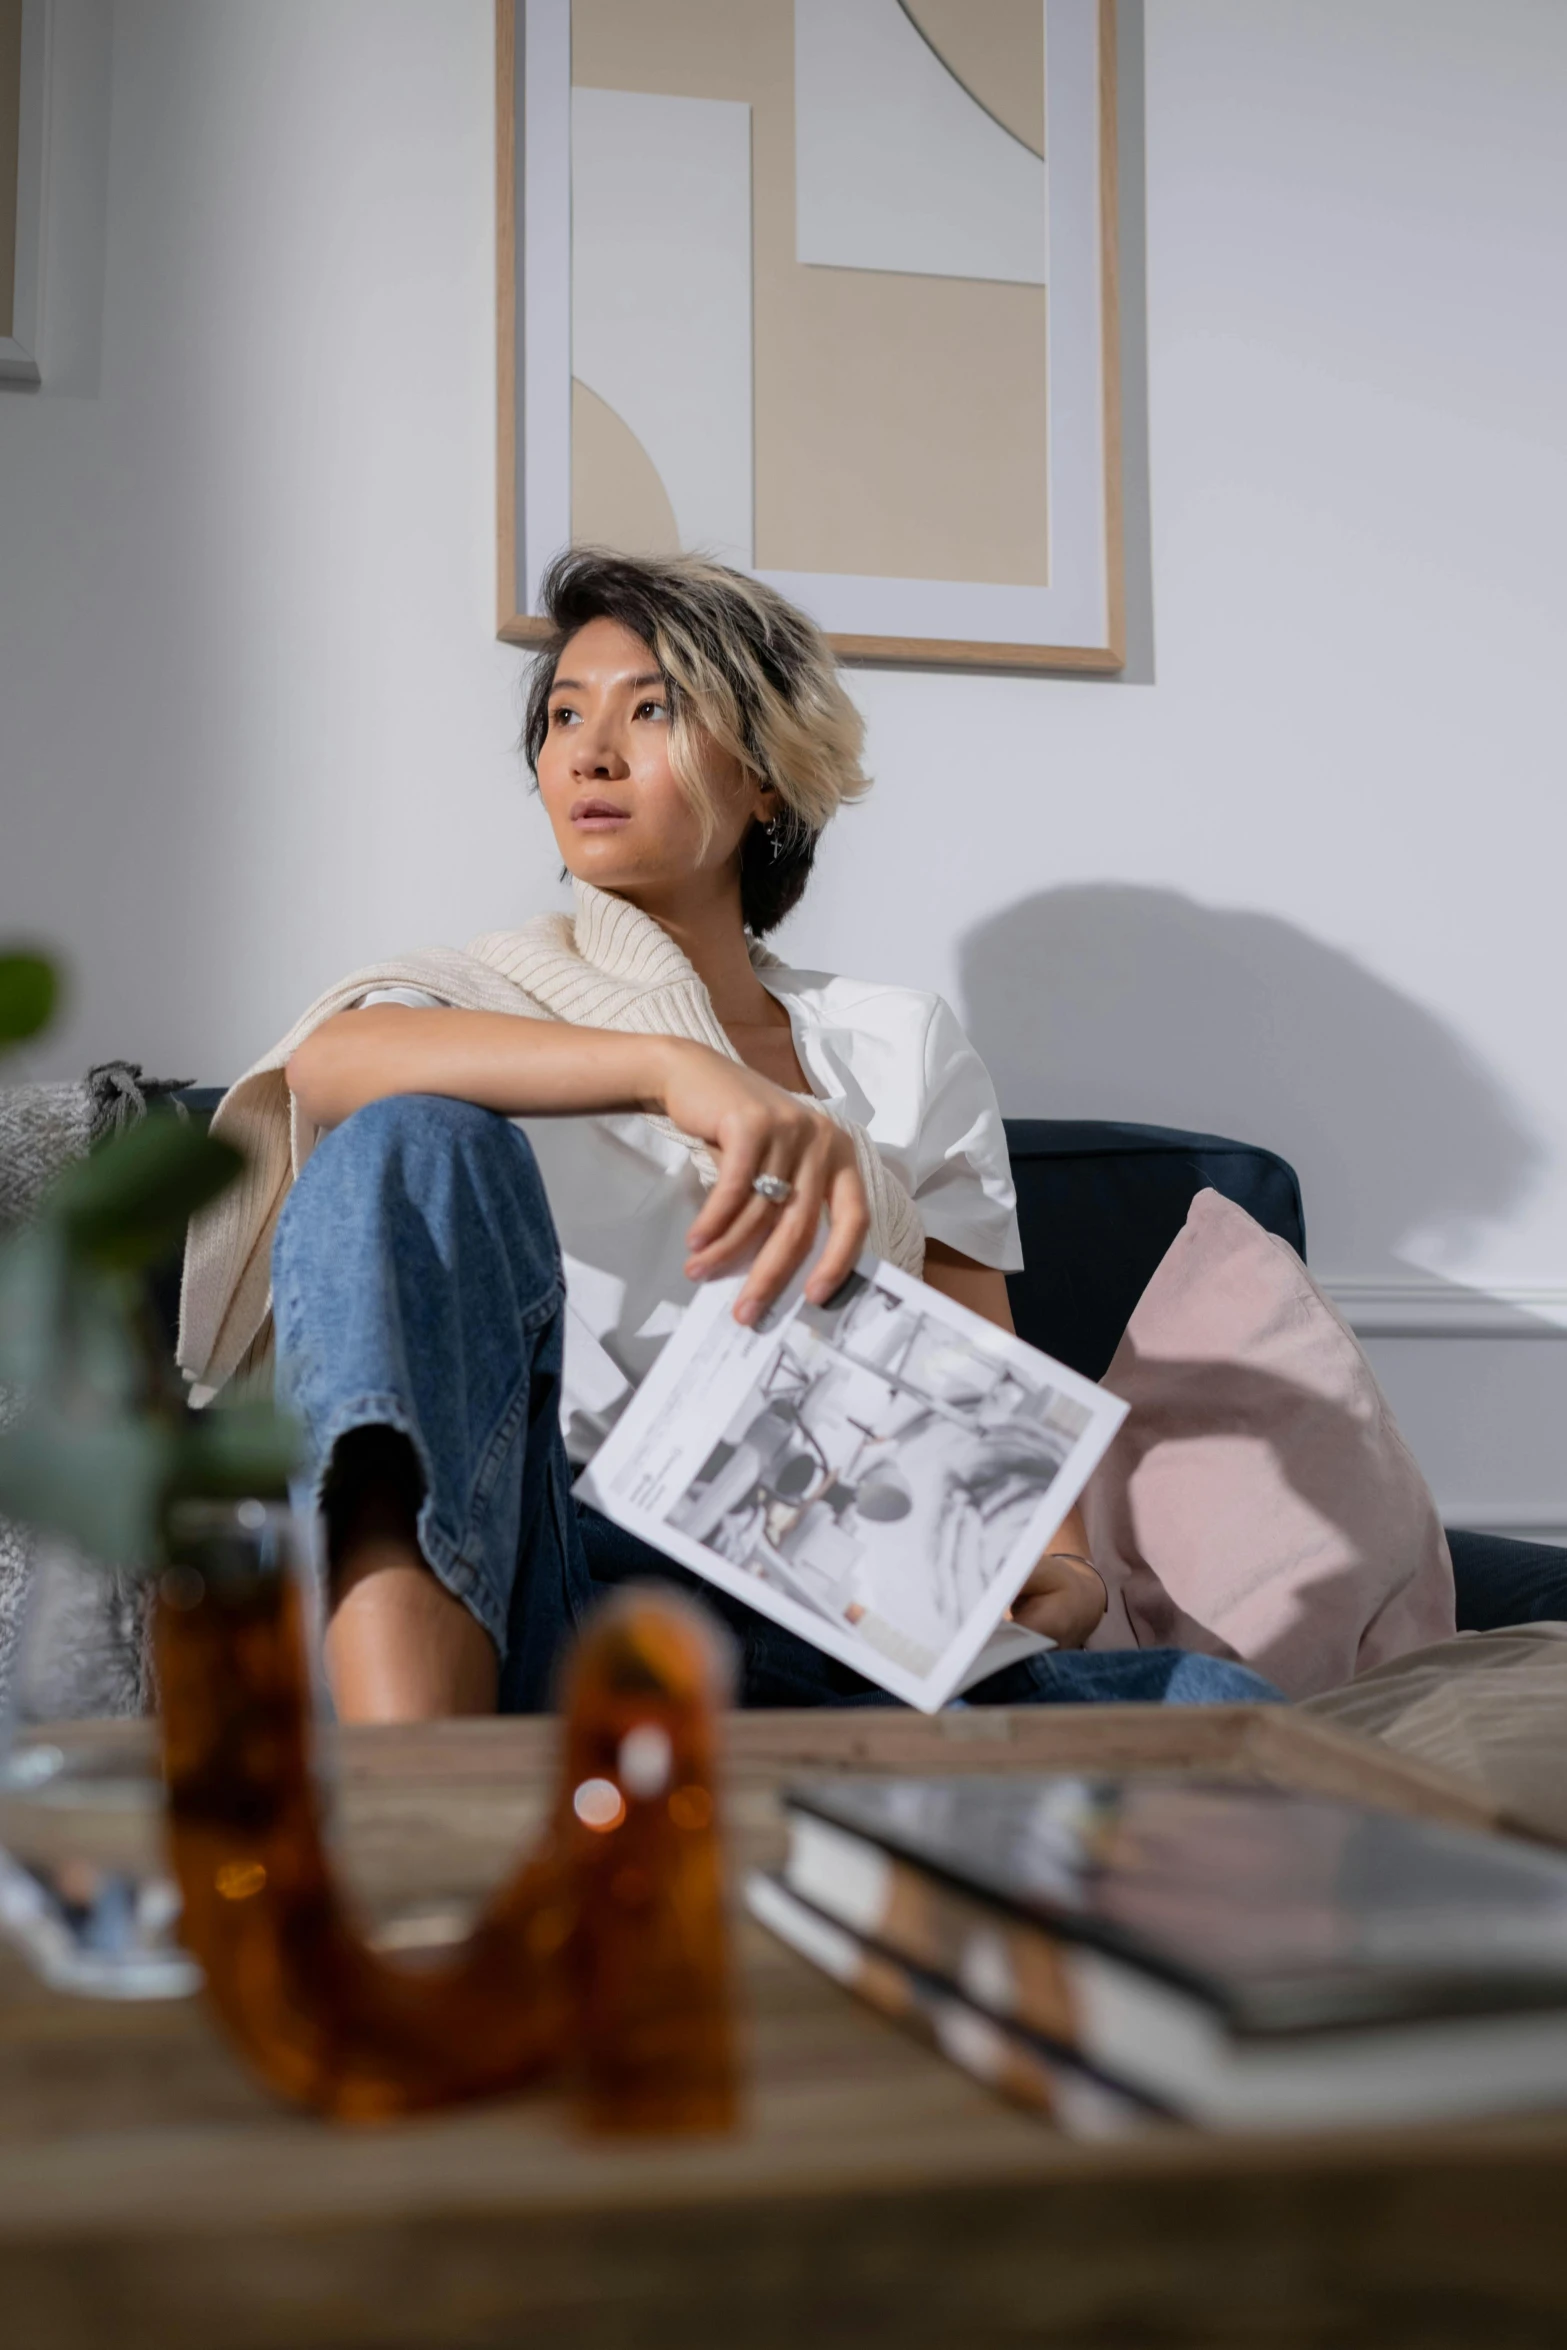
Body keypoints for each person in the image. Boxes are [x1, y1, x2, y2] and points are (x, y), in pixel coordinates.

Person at [212, 550, 1278, 1721]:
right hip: (552, 1583)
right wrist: (672, 1072)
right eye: (565, 715)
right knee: (412, 1140)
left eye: (651, 709)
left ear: (767, 781)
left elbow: (993, 1397)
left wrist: (1061, 1576)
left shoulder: (897, 1044)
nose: (589, 751)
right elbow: (327, 1071)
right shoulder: (483, 997)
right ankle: (416, 1802)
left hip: (823, 1609)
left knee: (1217, 1706)